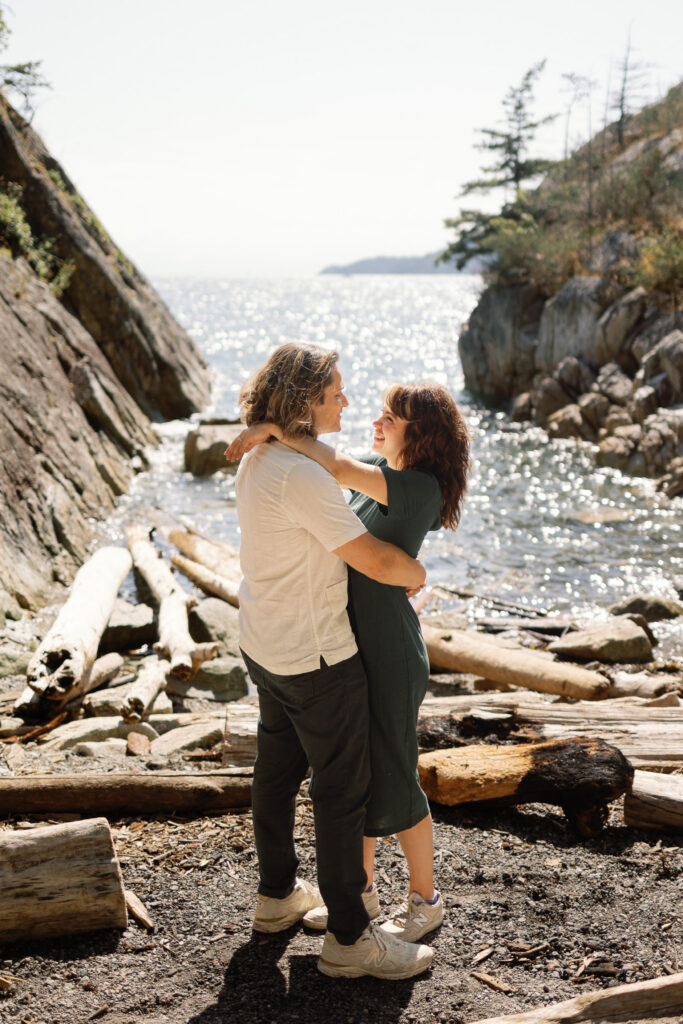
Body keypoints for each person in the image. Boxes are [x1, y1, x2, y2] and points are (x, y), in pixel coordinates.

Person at [226, 379, 470, 944]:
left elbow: (331, 465)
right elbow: (330, 463)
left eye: (392, 418)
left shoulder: (417, 488)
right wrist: (275, 434)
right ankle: (357, 896)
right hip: (352, 641)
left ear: (423, 434)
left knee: (394, 773)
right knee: (358, 776)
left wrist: (274, 430)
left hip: (387, 648)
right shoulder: (376, 470)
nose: (377, 422)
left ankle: (425, 899)